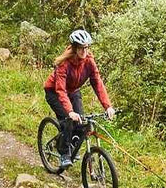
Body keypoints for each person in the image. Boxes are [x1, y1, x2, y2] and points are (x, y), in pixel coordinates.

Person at [44, 29, 114, 169]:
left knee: (81, 121)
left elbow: (97, 83)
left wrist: (108, 106)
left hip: (73, 91)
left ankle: (67, 140)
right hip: (54, 92)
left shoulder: (89, 62)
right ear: (75, 48)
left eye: (87, 47)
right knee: (68, 120)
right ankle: (64, 153)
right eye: (81, 48)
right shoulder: (64, 64)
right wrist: (70, 111)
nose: (84, 51)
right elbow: (60, 90)